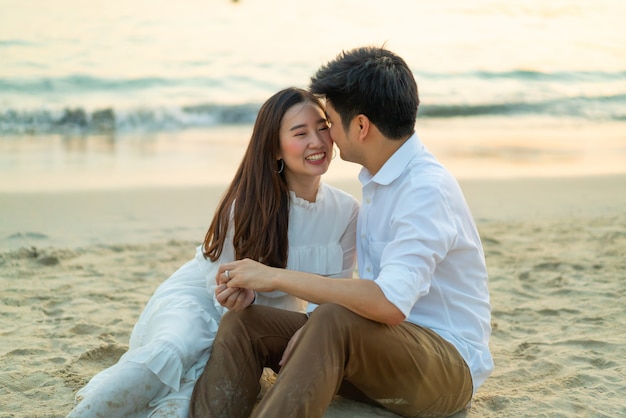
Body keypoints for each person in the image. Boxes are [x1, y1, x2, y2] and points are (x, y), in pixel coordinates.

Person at [190, 46, 493, 418]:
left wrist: (275, 278)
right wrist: (316, 325)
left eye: (329, 122)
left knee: (334, 319)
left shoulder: (425, 190)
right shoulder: (379, 182)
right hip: (380, 351)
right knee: (246, 323)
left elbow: (389, 304)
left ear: (361, 126)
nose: (325, 135)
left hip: (444, 371)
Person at [66, 87, 359, 418]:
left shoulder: (347, 211)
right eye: (300, 133)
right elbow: (219, 282)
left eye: (322, 127)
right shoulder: (247, 204)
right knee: (174, 350)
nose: (317, 141)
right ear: (276, 149)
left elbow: (332, 297)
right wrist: (234, 296)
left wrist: (305, 331)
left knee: (183, 405)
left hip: (253, 324)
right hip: (201, 300)